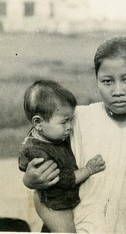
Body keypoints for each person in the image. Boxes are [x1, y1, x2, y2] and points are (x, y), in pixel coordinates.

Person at [22, 36, 126, 233]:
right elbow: (37, 139)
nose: (118, 90)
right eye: (107, 81)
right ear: (96, 80)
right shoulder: (76, 117)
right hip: (74, 226)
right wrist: (29, 178)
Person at [19, 79, 105, 233]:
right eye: (64, 122)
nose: (69, 127)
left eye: (71, 121)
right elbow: (62, 180)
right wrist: (89, 169)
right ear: (38, 123)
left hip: (62, 201)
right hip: (54, 205)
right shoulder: (38, 152)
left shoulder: (48, 134)